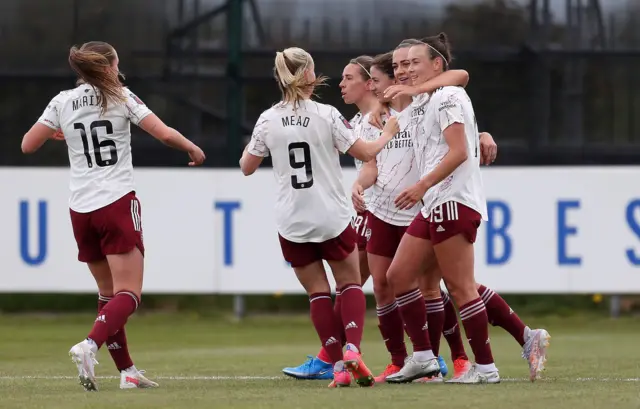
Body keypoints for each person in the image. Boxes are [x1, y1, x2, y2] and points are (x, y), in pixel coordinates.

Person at [21, 41, 206, 391]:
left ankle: (127, 372)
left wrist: (63, 133)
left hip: (81, 209)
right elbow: (163, 133)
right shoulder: (120, 95)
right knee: (130, 293)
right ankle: (89, 344)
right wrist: (192, 147)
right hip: (116, 202)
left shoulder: (62, 102)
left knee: (108, 294)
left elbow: (28, 144)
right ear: (108, 67)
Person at [382, 38, 550, 383]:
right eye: (398, 65)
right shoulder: (420, 103)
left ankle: (485, 368)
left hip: (451, 198)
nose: (403, 70)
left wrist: (422, 185)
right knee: (399, 276)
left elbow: (457, 148)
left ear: (436, 65)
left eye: (413, 62)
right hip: (433, 204)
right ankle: (426, 357)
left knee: (459, 287)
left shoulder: (446, 96)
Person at [239, 47, 400, 388]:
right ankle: (353, 350)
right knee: (350, 284)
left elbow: (247, 167)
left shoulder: (268, 119)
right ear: (310, 75)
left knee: (317, 294)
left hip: (292, 219)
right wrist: (388, 132)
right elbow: (367, 152)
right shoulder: (326, 115)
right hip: (330, 215)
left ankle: (338, 363)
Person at [353, 50, 471, 383]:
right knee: (383, 284)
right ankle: (400, 360)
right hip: (383, 212)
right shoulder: (372, 120)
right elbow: (370, 166)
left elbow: (460, 81)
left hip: (422, 207)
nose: (373, 88)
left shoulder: (425, 106)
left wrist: (483, 136)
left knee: (439, 287)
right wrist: (358, 186)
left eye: (376, 81)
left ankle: (452, 358)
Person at [281, 56, 379, 381]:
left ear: (370, 83)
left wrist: (479, 134)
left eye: (348, 77)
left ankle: (426, 357)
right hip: (363, 212)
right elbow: (368, 161)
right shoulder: (349, 121)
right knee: (358, 284)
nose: (340, 84)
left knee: (405, 283)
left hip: (390, 211)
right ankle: (339, 356)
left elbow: (372, 160)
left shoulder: (388, 116)